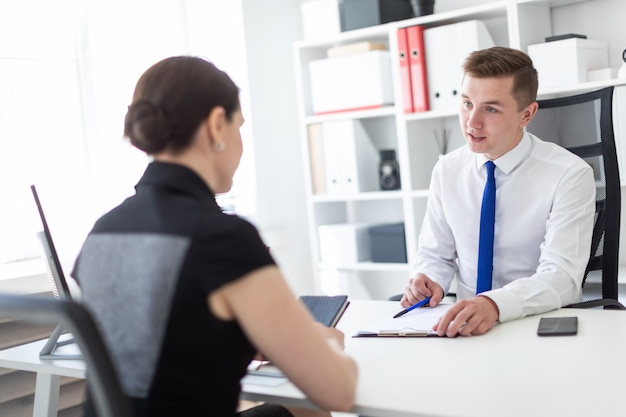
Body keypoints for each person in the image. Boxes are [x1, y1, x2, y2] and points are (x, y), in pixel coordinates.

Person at [72, 56, 357, 417]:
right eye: (239, 126)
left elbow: (161, 344)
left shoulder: (104, 230)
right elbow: (339, 390)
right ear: (216, 125)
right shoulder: (223, 238)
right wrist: (326, 344)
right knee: (313, 410)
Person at [400, 46, 596, 337]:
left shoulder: (569, 174)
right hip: (466, 327)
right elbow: (435, 255)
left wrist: (493, 304)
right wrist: (428, 279)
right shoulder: (447, 170)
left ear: (526, 114)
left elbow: (562, 277)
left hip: (536, 325)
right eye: (467, 103)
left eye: (490, 108)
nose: (472, 121)